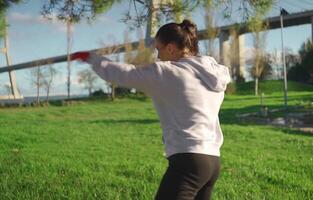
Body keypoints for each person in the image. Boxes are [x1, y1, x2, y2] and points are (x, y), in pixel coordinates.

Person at [71, 19, 231, 200]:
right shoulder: (213, 75)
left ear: (171, 48)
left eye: (158, 49)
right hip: (212, 161)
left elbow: (124, 74)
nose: (158, 56)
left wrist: (92, 58)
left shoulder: (168, 72)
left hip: (188, 161)